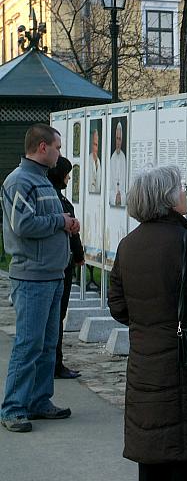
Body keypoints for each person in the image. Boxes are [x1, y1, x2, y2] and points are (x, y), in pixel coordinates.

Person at [107, 165, 187, 479]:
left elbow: (118, 306)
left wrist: (149, 324)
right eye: (179, 188)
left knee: (152, 453)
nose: (185, 193)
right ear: (166, 198)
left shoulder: (128, 245)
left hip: (144, 366)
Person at [1, 124, 80, 433]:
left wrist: (65, 225)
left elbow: (43, 221)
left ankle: (39, 400)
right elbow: (22, 224)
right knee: (29, 344)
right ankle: (13, 408)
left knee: (47, 344)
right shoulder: (20, 181)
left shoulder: (42, 181)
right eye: (57, 147)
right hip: (32, 277)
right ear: (43, 148)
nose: (60, 153)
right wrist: (60, 221)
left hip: (51, 274)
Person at [47, 156, 85, 379]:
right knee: (56, 316)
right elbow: (72, 234)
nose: (69, 178)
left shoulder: (55, 197)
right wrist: (79, 256)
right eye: (66, 173)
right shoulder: (57, 200)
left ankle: (54, 362)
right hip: (61, 264)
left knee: (56, 317)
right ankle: (54, 363)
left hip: (60, 261)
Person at [109, 122, 127, 207]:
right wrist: (114, 197)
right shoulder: (111, 158)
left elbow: (127, 185)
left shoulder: (125, 158)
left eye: (120, 139)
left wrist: (122, 197)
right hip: (113, 199)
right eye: (117, 138)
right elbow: (108, 185)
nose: (118, 142)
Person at [88, 129, 101, 194]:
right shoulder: (88, 160)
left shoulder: (98, 161)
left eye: (96, 145)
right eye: (93, 144)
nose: (94, 148)